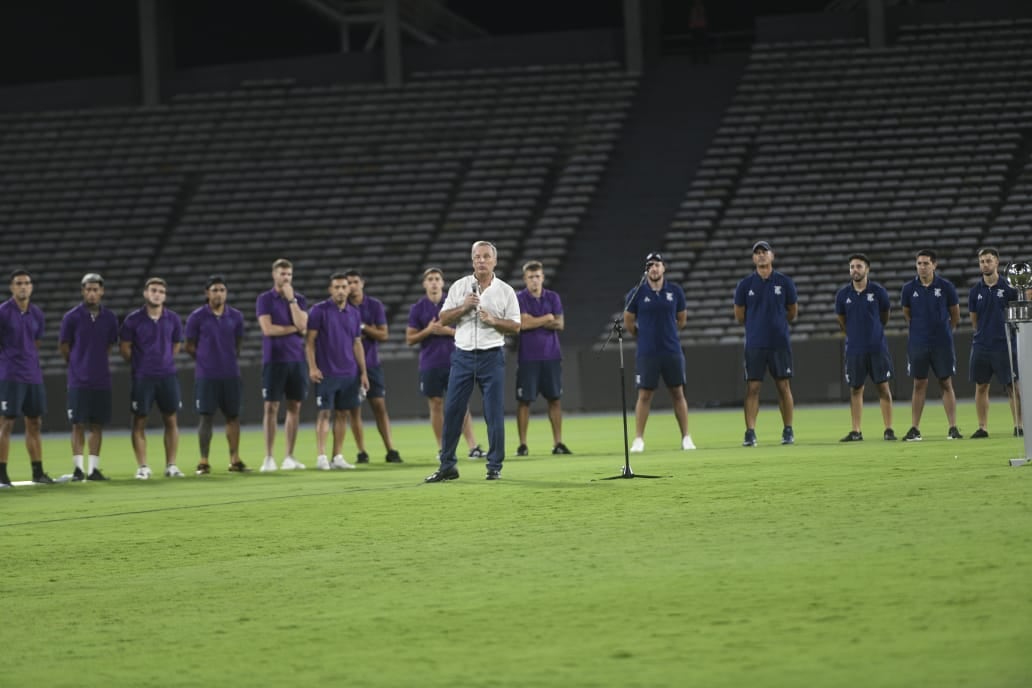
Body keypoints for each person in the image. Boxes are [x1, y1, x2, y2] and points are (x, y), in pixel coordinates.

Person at [424, 241, 521, 482]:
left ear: (495, 261)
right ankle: (448, 466)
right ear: (472, 260)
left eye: (486, 256)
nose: (481, 260)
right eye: (477, 256)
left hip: (492, 356)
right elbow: (444, 318)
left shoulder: (505, 290)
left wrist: (494, 321)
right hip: (463, 356)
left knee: (493, 413)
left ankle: (494, 466)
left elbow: (516, 326)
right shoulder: (459, 287)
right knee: (453, 411)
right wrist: (464, 307)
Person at [405, 267, 485, 459]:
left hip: (455, 361)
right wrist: (429, 330)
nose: (433, 282)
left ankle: (472, 447)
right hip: (430, 363)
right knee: (436, 404)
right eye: (430, 279)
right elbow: (410, 339)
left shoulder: (454, 304)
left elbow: (470, 332)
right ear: (425, 284)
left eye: (436, 279)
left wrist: (447, 331)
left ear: (442, 283)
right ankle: (443, 449)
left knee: (460, 404)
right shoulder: (418, 308)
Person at [624, 252, 695, 453]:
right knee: (644, 394)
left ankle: (686, 437)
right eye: (650, 266)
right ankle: (638, 439)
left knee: (678, 393)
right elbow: (629, 321)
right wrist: (642, 335)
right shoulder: (636, 292)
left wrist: (668, 333)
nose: (653, 269)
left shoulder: (675, 291)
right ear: (646, 270)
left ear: (663, 268)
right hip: (647, 352)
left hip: (671, 350)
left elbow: (681, 320)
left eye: (657, 265)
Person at [733, 241, 798, 447]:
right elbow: (739, 315)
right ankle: (750, 431)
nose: (761, 255)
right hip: (755, 343)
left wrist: (776, 324)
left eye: (764, 252)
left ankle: (788, 429)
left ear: (772, 256)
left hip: (779, 342)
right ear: (753, 258)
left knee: (783, 386)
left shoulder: (785, 282)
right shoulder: (745, 285)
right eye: (757, 253)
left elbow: (792, 312)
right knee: (752, 387)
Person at [119, 277, 185, 479]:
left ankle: (171, 465)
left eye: (161, 291)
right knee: (139, 421)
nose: (157, 294)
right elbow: (125, 349)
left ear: (164, 296)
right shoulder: (133, 320)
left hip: (167, 376)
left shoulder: (172, 319)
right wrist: (143, 364)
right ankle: (142, 466)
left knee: (171, 419)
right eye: (153, 290)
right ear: (146, 293)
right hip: (142, 378)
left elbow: (176, 345)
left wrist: (163, 362)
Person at [185, 275, 250, 474]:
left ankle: (235, 459)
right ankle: (204, 461)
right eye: (215, 290)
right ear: (207, 293)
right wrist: (206, 360)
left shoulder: (236, 316)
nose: (219, 294)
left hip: (230, 374)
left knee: (233, 416)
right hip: (206, 375)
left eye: (222, 290)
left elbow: (238, 344)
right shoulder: (196, 317)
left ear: (226, 293)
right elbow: (189, 346)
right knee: (206, 416)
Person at [59, 272, 119, 481]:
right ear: (83, 291)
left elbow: (109, 345)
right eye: (88, 289)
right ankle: (78, 469)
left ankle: (93, 470)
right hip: (78, 380)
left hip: (101, 380)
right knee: (78, 424)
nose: (91, 293)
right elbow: (64, 346)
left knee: (97, 425)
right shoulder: (71, 317)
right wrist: (77, 364)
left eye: (95, 289)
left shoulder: (110, 318)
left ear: (101, 291)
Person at [306, 272, 368, 471]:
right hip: (327, 373)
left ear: (349, 289)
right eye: (337, 287)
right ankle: (321, 455)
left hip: (349, 373)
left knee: (343, 414)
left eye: (344, 287)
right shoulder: (319, 310)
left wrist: (363, 372)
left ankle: (337, 456)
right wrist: (313, 367)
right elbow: (309, 342)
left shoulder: (354, 313)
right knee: (324, 413)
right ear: (330, 289)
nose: (341, 290)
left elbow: (357, 344)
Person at [900, 249, 963, 441]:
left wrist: (944, 332)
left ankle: (952, 427)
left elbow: (955, 315)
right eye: (919, 263)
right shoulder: (909, 289)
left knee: (946, 382)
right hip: (918, 342)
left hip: (941, 342)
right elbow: (907, 314)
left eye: (926, 263)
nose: (922, 267)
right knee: (919, 384)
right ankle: (915, 428)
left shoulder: (946, 287)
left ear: (934, 265)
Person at [342, 270, 402, 464]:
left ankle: (391, 449)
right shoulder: (342, 306)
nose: (352, 286)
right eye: (348, 282)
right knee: (354, 409)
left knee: (379, 407)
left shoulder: (374, 305)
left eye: (355, 282)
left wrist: (362, 327)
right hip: (349, 366)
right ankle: (361, 451)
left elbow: (384, 335)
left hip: (372, 364)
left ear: (362, 283)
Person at [0, 269, 54, 487]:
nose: (23, 286)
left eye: (27, 283)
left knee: (35, 422)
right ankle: (2, 474)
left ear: (31, 287)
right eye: (19, 283)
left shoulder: (37, 314)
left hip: (33, 375)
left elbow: (36, 342)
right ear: (12, 287)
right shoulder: (3, 312)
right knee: (6, 424)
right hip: (10, 375)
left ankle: (38, 472)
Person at [834, 254, 896, 442]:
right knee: (855, 389)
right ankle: (856, 431)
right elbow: (842, 321)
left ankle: (888, 429)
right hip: (854, 349)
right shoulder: (843, 295)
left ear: (867, 269)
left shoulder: (878, 292)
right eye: (852, 267)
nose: (855, 270)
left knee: (883, 388)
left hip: (877, 347)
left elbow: (884, 317)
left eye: (859, 266)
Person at [256, 258, 309, 471]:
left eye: (289, 274)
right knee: (271, 407)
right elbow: (268, 329)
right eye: (282, 274)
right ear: (274, 275)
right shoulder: (264, 299)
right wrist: (293, 328)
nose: (286, 278)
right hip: (274, 359)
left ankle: (289, 456)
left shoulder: (299, 299)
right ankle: (269, 457)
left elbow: (304, 326)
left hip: (296, 359)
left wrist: (292, 301)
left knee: (294, 406)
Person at [515, 260, 571, 456]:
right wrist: (546, 318)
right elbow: (521, 324)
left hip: (551, 355)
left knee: (554, 399)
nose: (534, 280)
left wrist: (533, 321)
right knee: (524, 401)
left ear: (543, 278)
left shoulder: (553, 297)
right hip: (528, 357)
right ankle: (522, 444)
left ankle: (558, 443)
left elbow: (560, 324)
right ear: (525, 279)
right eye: (531, 277)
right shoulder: (519, 297)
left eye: (537, 276)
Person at [968, 247, 1022, 438]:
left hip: (1005, 343)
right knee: (981, 386)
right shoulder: (975, 291)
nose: (985, 264)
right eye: (982, 261)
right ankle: (982, 427)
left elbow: (1017, 315)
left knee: (1013, 386)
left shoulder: (1009, 288)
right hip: (982, 344)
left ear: (997, 262)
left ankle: (1019, 425)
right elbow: (974, 320)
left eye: (988, 261)